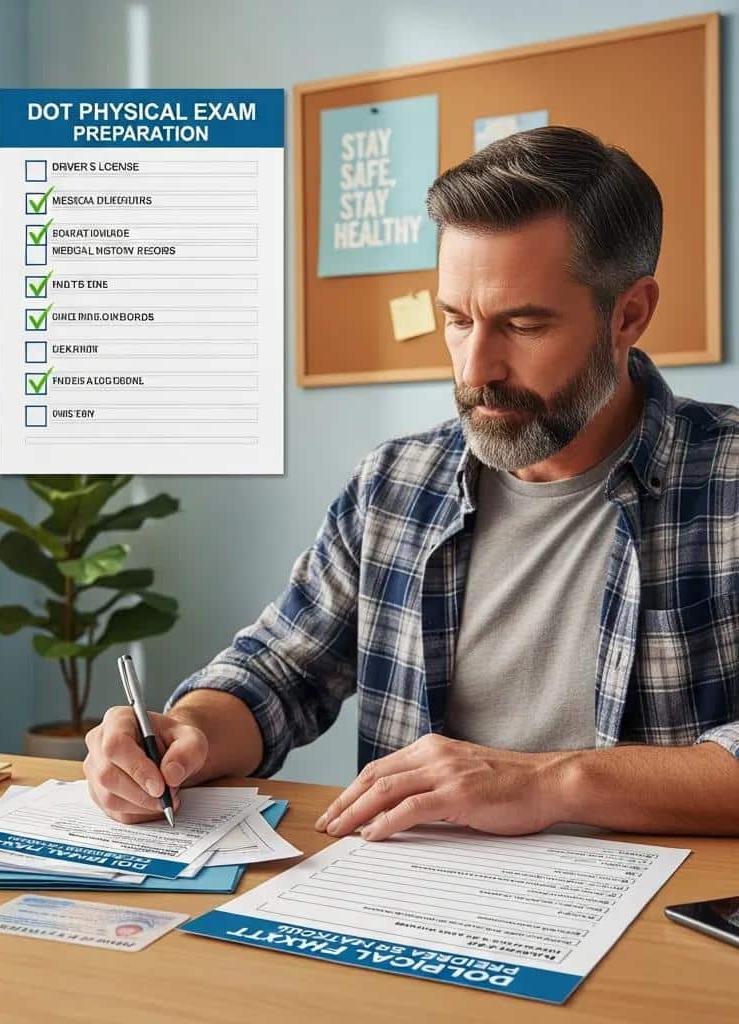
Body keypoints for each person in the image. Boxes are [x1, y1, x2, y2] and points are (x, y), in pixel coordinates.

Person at [83, 126, 739, 839]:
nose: (475, 367)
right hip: (407, 911)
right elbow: (279, 672)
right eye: (456, 320)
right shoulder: (395, 485)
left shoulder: (727, 481)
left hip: (657, 928)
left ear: (630, 315)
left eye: (522, 325)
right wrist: (188, 732)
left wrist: (553, 782)